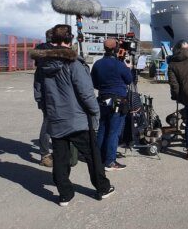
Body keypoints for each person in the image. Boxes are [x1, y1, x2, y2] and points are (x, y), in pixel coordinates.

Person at [31, 24, 113, 206]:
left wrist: (47, 110)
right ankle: (102, 188)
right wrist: (95, 112)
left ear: (52, 40)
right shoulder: (74, 63)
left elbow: (38, 93)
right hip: (77, 119)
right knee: (92, 156)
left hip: (56, 118)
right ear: (70, 40)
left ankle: (65, 194)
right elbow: (86, 92)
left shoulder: (42, 65)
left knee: (60, 158)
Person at [91, 38, 133, 171]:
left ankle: (98, 158)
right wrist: (129, 68)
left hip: (103, 99)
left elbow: (94, 83)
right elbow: (129, 79)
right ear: (116, 49)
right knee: (113, 132)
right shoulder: (119, 65)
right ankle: (110, 161)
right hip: (118, 100)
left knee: (103, 128)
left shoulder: (98, 64)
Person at [33, 28, 54, 167]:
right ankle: (45, 155)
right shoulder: (52, 53)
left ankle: (46, 153)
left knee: (48, 122)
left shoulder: (40, 51)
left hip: (41, 92)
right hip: (49, 94)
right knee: (48, 123)